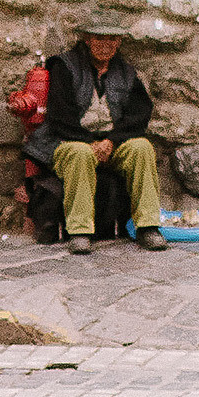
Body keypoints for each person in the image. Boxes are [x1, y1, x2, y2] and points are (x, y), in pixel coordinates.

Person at [34, 18, 169, 255]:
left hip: (110, 142)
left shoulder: (126, 72)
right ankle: (80, 231)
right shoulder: (64, 66)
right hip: (69, 140)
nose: (105, 44)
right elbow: (60, 116)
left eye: (112, 39)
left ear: (118, 42)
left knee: (142, 148)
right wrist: (90, 143)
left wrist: (111, 141)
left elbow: (140, 113)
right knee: (80, 153)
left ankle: (148, 227)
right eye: (99, 38)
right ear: (87, 39)